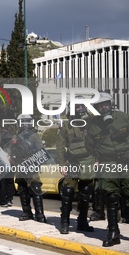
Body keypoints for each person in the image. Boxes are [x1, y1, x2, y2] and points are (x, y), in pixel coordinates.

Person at [85, 92, 129, 247]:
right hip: (108, 163)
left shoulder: (123, 117)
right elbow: (89, 146)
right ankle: (113, 232)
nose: (104, 107)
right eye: (100, 105)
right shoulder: (93, 125)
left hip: (126, 162)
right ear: (97, 107)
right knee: (111, 197)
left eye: (106, 104)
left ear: (111, 104)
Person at [56, 97, 95, 234]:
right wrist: (61, 164)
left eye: (81, 106)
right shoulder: (66, 126)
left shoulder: (91, 123)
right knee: (67, 192)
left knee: (85, 194)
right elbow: (60, 147)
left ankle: (82, 222)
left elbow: (99, 143)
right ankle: (64, 222)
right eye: (76, 107)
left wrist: (98, 160)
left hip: (89, 160)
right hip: (72, 161)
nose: (80, 109)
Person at [8, 114, 46, 223]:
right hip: (20, 165)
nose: (25, 124)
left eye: (27, 122)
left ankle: (40, 214)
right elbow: (11, 148)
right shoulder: (16, 136)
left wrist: (34, 161)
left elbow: (41, 150)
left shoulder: (34, 135)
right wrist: (10, 156)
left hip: (31, 164)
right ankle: (26, 212)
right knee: (22, 187)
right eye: (23, 122)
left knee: (35, 187)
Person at [0, 126, 15, 207]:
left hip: (0, 161)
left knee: (0, 182)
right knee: (9, 181)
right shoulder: (12, 137)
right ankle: (9, 199)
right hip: (10, 161)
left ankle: (3, 201)